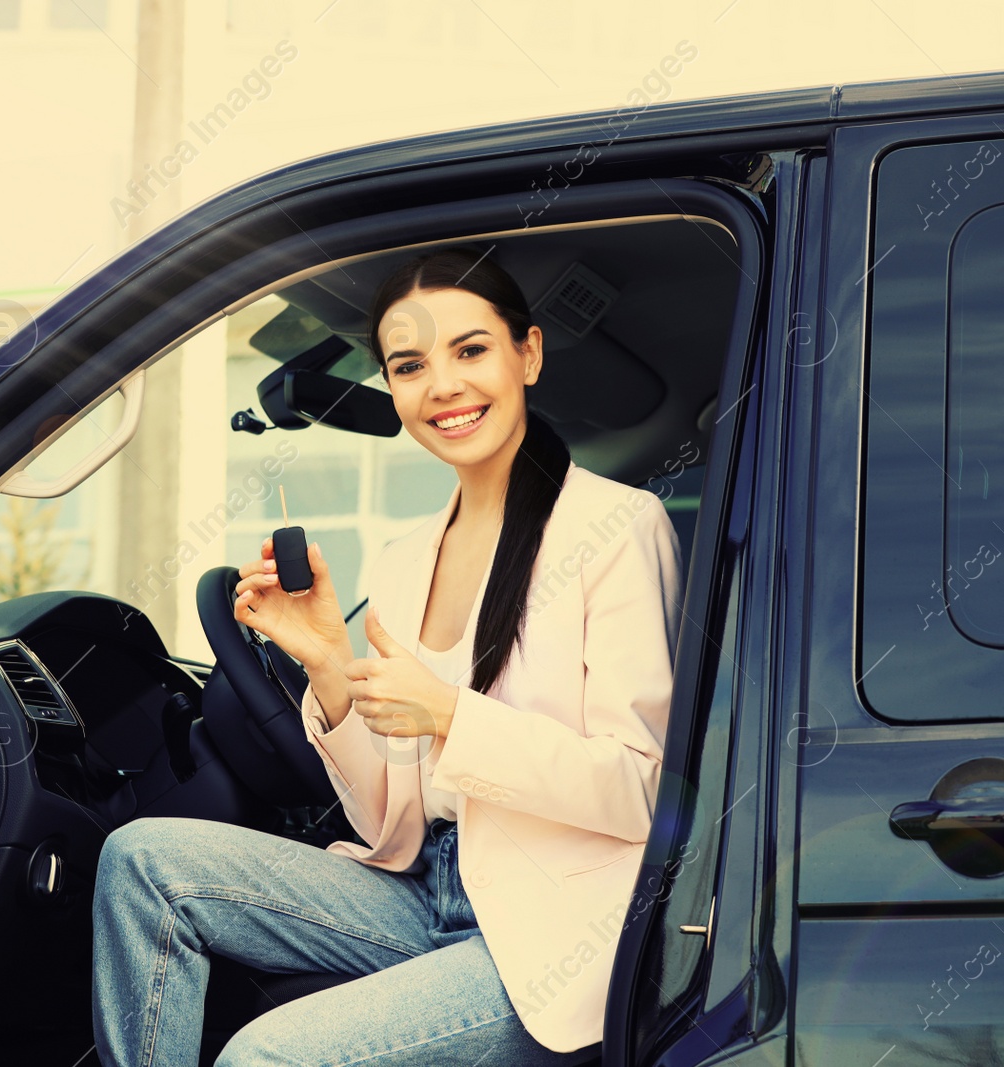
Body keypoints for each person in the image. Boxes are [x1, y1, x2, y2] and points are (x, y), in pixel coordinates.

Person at [91, 246, 683, 1066]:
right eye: (410, 365)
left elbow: (638, 788)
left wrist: (448, 713)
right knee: (143, 860)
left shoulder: (618, 527)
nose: (442, 385)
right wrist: (330, 663)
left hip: (551, 936)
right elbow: (391, 824)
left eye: (471, 350)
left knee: (262, 1057)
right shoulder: (404, 558)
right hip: (423, 891)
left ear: (530, 353)